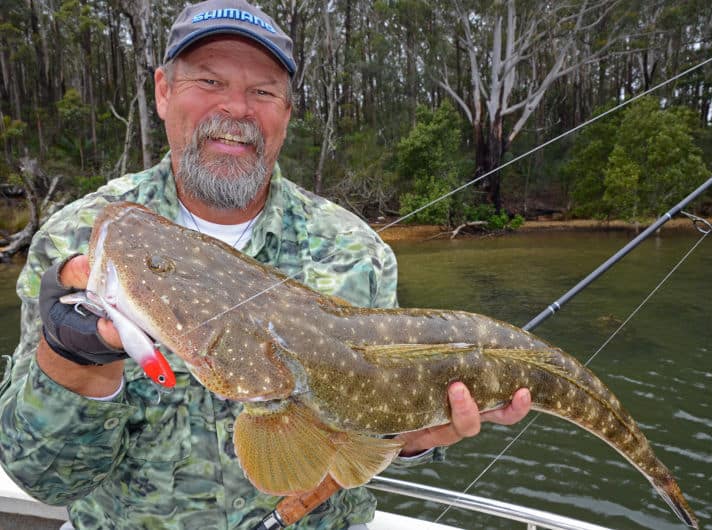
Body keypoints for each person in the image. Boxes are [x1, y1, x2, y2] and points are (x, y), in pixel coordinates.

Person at [0, 0, 532, 528]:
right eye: (209, 82)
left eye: (262, 91)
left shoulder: (356, 249)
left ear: (286, 112)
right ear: (163, 92)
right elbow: (45, 480)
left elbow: (365, 449)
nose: (235, 108)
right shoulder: (74, 239)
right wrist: (72, 358)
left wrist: (411, 436)